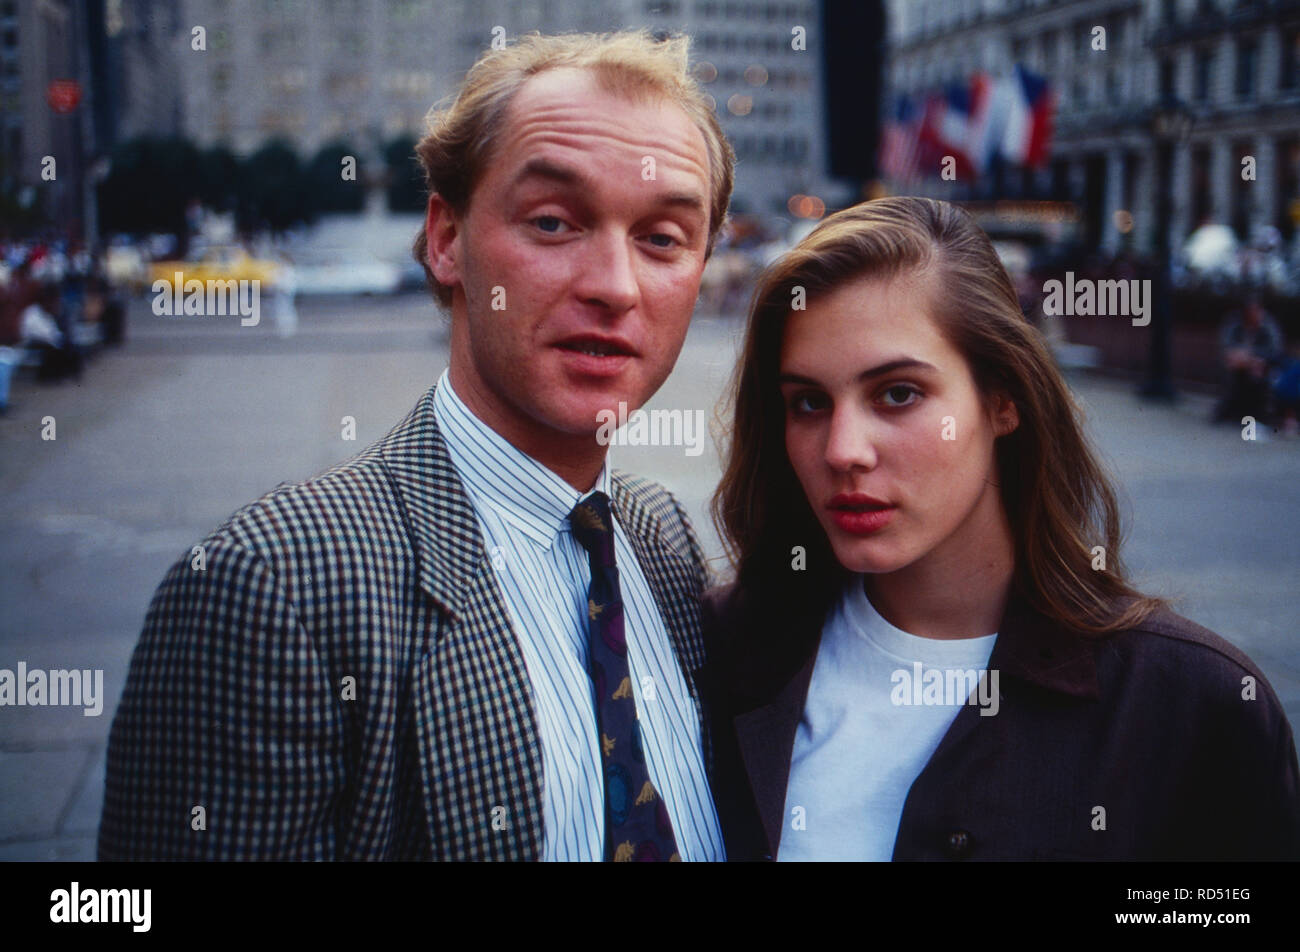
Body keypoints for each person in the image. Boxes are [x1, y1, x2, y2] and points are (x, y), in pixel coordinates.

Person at [100, 29, 735, 862]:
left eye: (662, 238)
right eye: (552, 222)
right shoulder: (271, 588)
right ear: (445, 240)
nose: (615, 286)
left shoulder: (663, 540)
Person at [705, 197, 1300, 861]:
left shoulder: (1193, 705)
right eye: (809, 403)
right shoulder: (717, 653)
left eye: (898, 393)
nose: (843, 449)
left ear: (1002, 399)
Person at [1213, 293, 1284, 425]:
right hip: (1238, 362)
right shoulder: (1234, 324)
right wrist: (1240, 357)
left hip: (1260, 364)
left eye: (1256, 311)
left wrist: (1254, 358)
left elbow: (1275, 351)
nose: (1253, 315)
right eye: (1250, 311)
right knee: (1231, 368)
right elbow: (1225, 346)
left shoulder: (1269, 326)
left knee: (1259, 371)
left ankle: (1257, 414)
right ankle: (1229, 409)